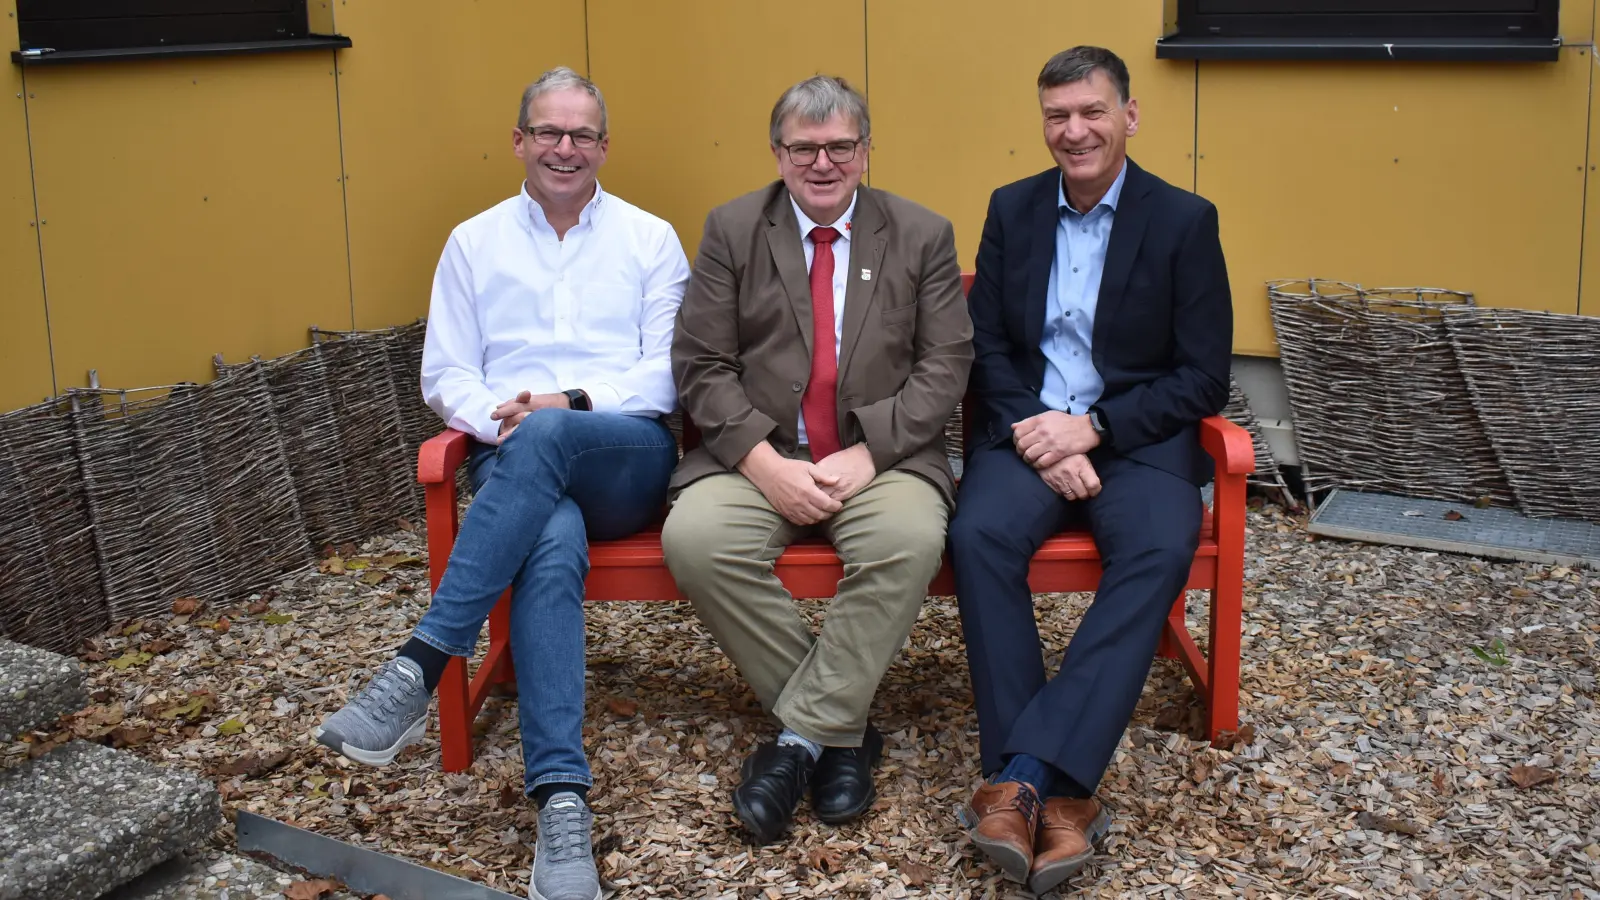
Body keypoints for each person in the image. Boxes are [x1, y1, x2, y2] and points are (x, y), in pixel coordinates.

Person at [312, 66, 689, 900]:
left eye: (582, 134)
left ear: (604, 147)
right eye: (549, 132)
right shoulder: (473, 241)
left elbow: (665, 377)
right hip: (512, 456)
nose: (565, 148)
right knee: (548, 544)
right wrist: (505, 420)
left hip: (622, 455)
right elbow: (446, 374)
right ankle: (563, 804)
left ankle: (420, 662)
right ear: (519, 140)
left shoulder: (650, 238)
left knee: (554, 433)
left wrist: (563, 406)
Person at [947, 46, 1233, 894]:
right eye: (1057, 116)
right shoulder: (1012, 208)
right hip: (1030, 433)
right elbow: (987, 346)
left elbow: (1202, 374)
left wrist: (1095, 430)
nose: (1074, 131)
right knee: (977, 534)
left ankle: (1027, 780)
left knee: (1157, 546)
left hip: (1136, 441)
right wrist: (1041, 431)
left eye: (1092, 112)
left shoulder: (1184, 219)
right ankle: (1060, 794)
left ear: (1129, 116)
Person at [660, 75, 972, 845]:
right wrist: (762, 463)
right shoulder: (734, 230)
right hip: (761, 455)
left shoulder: (921, 233)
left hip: (883, 461)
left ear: (865, 152)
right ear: (778, 154)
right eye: (805, 148)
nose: (823, 163)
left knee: (906, 542)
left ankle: (799, 741)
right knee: (695, 541)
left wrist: (873, 455)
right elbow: (700, 363)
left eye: (840, 147)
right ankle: (844, 729)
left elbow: (947, 363)